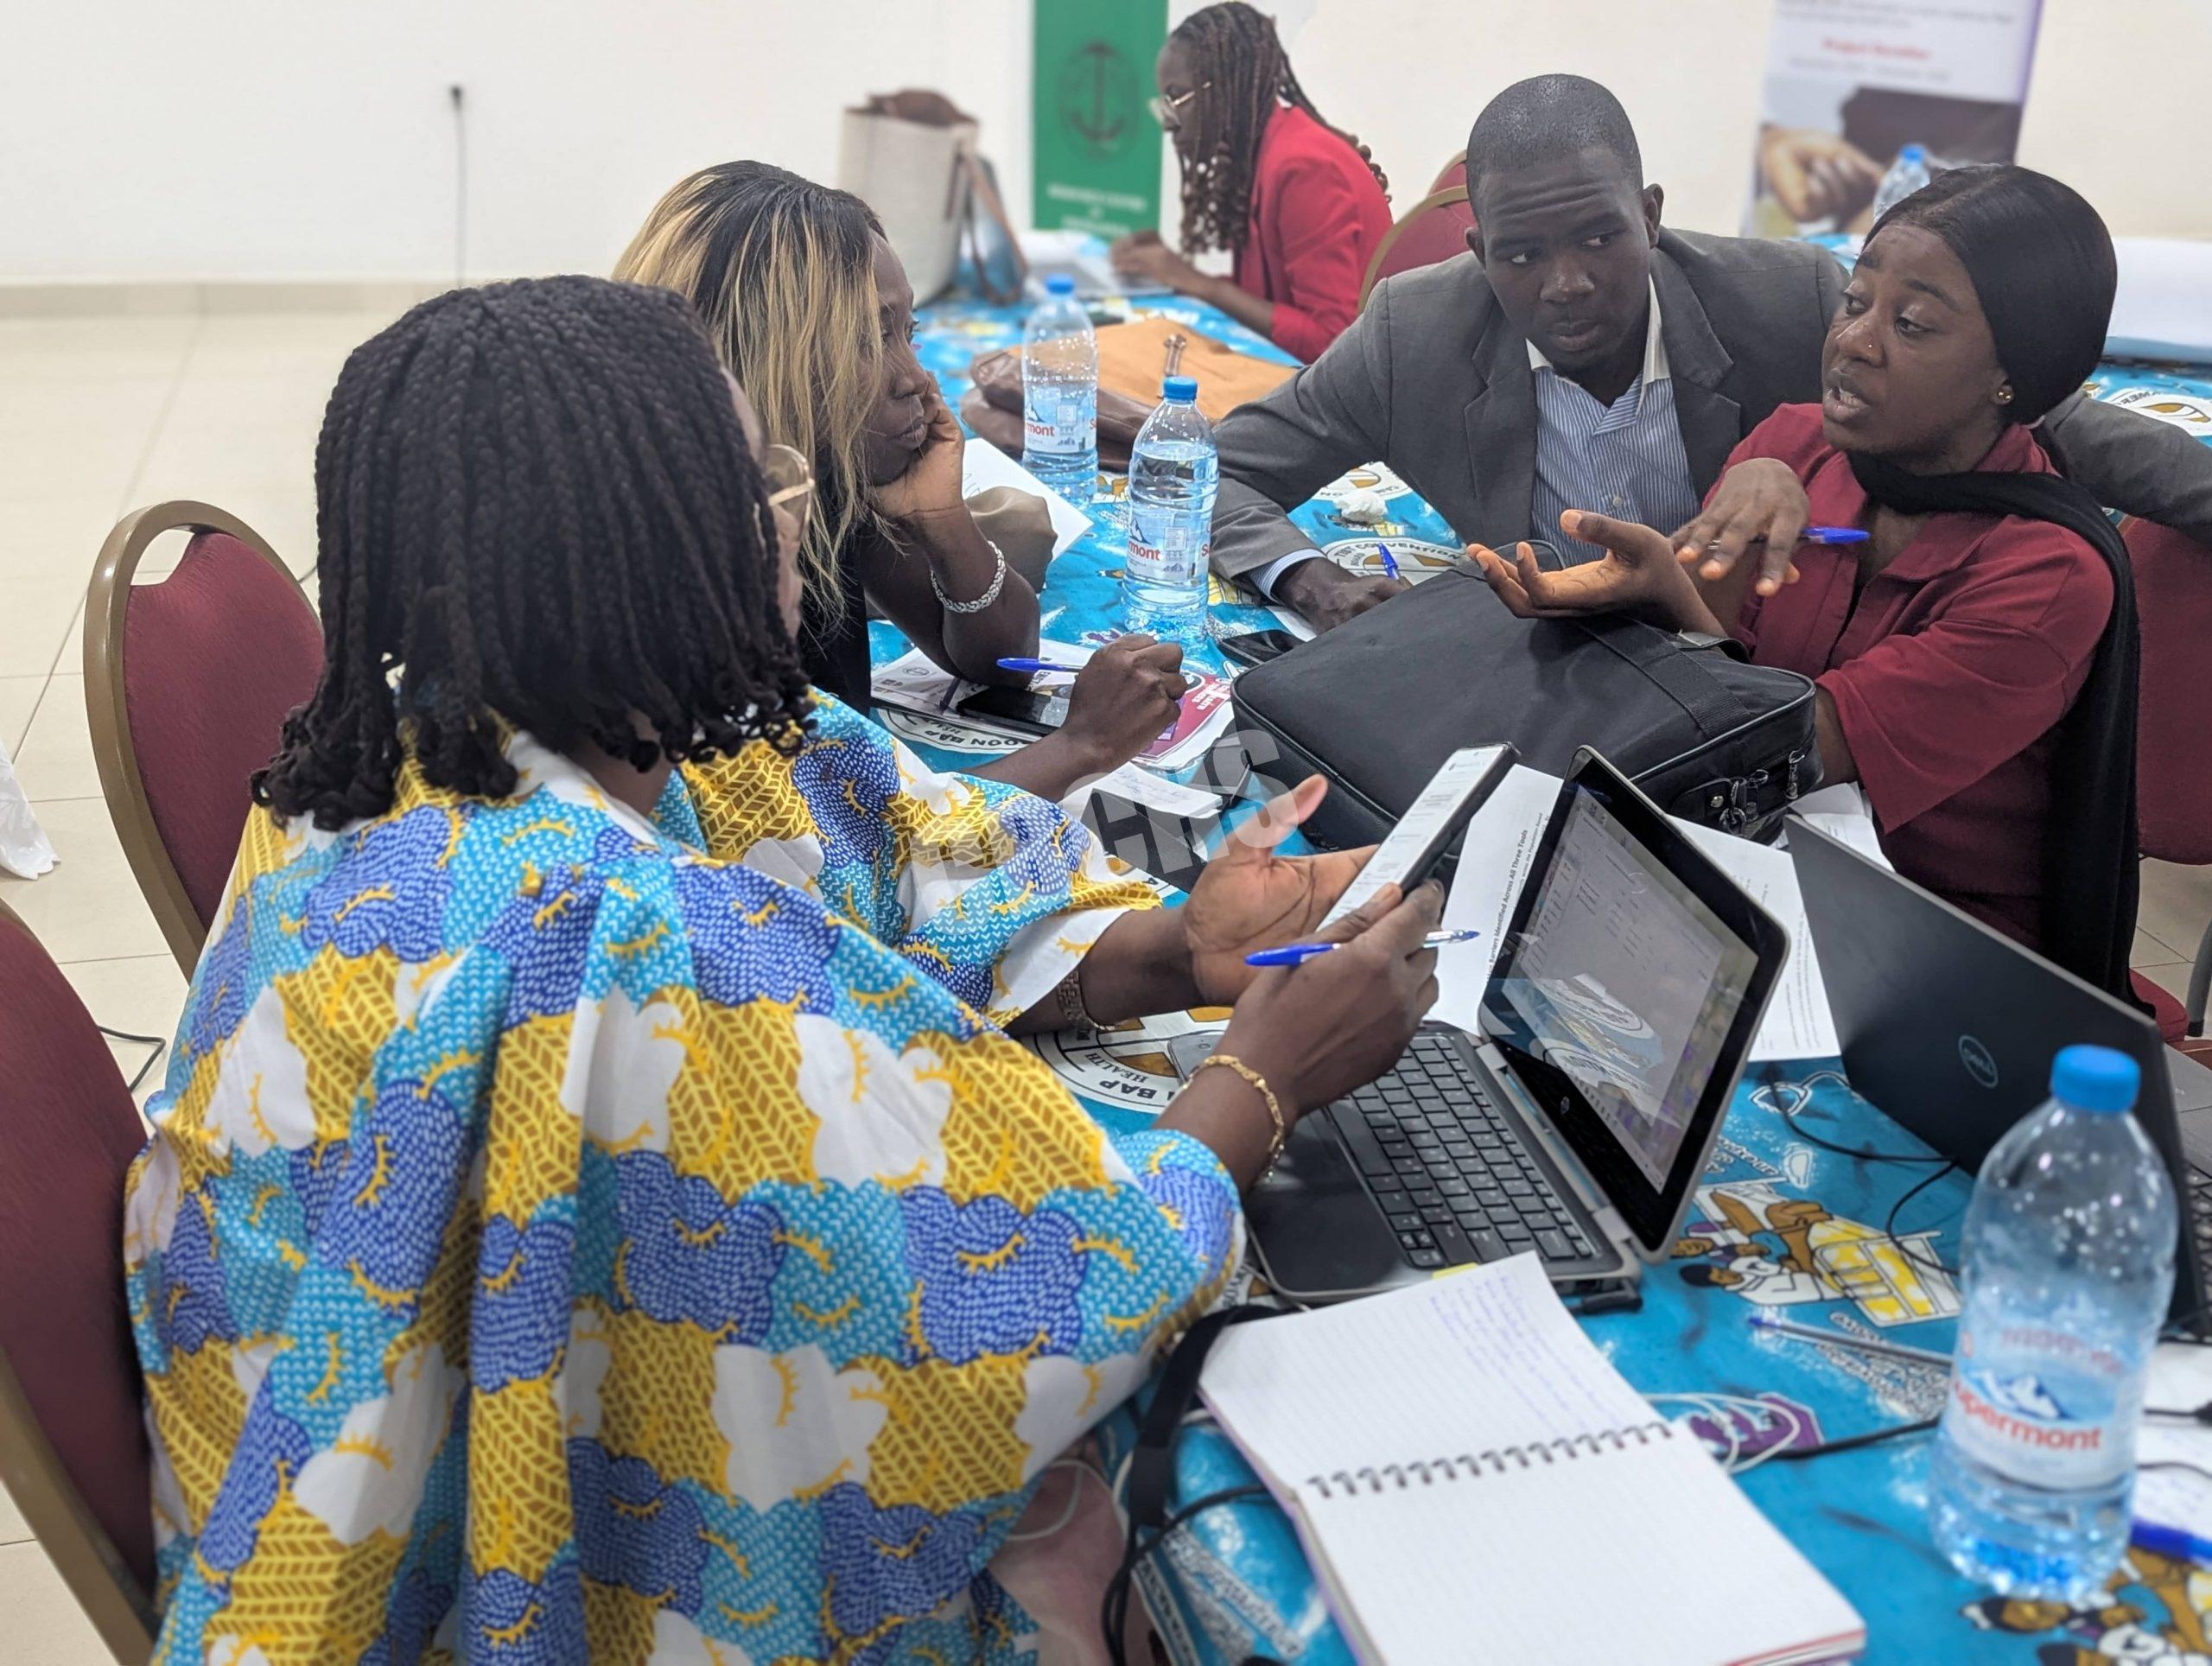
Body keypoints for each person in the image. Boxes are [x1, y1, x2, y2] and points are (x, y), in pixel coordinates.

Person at [123, 275, 1445, 1662]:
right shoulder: (613, 942)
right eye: (756, 482)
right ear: (653, 551)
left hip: (289, 1452)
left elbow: (896, 864)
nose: (791, 511)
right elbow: (1009, 1329)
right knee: (1129, 1549)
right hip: (454, 1585)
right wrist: (1261, 1081)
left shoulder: (401, 750)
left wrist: (1174, 943)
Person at [1212, 73, 2212, 634]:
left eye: (1599, 238)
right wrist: (1310, 579)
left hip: (1751, 674)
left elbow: (2044, 412)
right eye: (1520, 253)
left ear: (1649, 216)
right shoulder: (1410, 332)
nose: (1564, 283)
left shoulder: (1792, 301)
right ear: (1479, 253)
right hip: (1538, 663)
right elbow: (1218, 470)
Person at [1473, 165, 2139, 997]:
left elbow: (1778, 755)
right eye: (1856, 302)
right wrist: (1654, 586)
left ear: (2016, 373)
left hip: (1935, 939)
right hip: (1753, 869)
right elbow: (1711, 661)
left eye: (1913, 324)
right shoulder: (1791, 445)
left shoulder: (2047, 574)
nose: (1854, 342)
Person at [616, 162, 1185, 802]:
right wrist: (1084, 745)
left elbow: (1001, 661)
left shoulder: (819, 470)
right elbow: (834, 842)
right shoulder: (685, 561)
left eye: (907, 334)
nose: (916, 378)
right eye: (867, 338)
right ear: (765, 355)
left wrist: (944, 523)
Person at [1107, 0, 1392, 363]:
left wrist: (1200, 284)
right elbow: (1271, 301)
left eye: (1176, 98)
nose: (1167, 121)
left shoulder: (1302, 166)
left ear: (1223, 87)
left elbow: (1333, 342)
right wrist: (1176, 275)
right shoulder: (1264, 154)